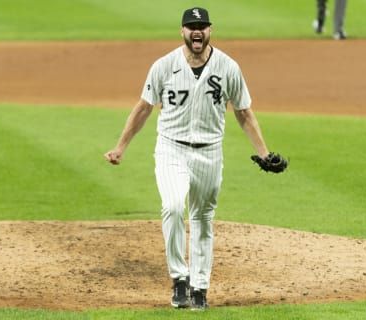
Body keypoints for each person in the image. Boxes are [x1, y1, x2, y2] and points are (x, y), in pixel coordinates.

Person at [104, 7, 274, 310]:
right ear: (182, 31)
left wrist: (265, 153)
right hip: (171, 148)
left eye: (203, 26)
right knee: (171, 207)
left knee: (202, 219)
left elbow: (244, 112)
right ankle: (179, 279)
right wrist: (121, 147)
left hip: (209, 152)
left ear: (210, 30)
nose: (198, 31)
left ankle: (200, 288)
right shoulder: (164, 66)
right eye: (192, 27)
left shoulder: (228, 67)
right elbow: (144, 108)